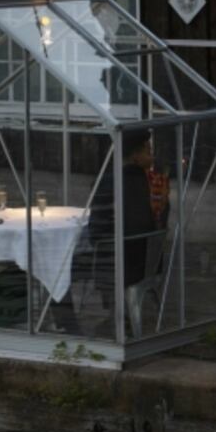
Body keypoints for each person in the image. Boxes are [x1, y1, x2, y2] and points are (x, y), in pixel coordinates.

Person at [54, 129, 169, 332]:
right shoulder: (155, 183)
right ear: (135, 156)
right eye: (148, 151)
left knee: (57, 265)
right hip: (150, 260)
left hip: (121, 262)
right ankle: (117, 314)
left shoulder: (111, 181)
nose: (152, 156)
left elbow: (97, 230)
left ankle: (67, 325)